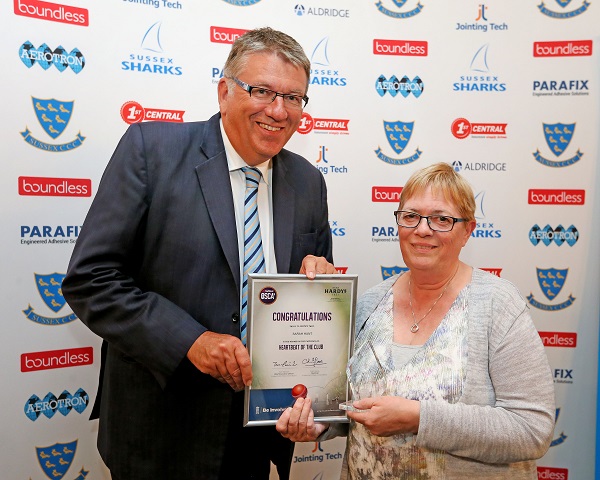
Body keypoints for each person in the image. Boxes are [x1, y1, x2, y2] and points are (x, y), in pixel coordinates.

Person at [62, 27, 335, 480]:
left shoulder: (309, 182)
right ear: (225, 90)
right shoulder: (152, 151)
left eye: (294, 98)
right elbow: (91, 279)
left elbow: (310, 295)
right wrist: (190, 341)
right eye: (263, 91)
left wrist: (319, 285)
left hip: (256, 431)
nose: (278, 110)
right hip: (161, 427)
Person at [277, 162, 555, 479]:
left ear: (468, 231)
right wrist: (320, 423)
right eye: (410, 216)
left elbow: (532, 429)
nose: (422, 229)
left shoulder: (498, 304)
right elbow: (353, 407)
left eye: (441, 219)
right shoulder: (370, 302)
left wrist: (420, 419)